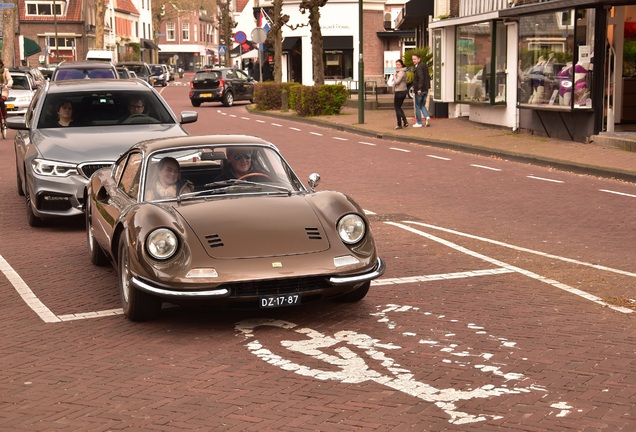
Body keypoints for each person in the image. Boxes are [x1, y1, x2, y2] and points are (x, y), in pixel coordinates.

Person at [411, 53, 431, 128]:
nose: (413, 60)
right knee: (422, 105)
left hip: (420, 90)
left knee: (417, 106)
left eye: (414, 59)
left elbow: (421, 77)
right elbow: (427, 77)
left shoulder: (419, 67)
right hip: (426, 89)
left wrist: (419, 88)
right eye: (412, 59)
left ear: (419, 59)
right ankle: (427, 117)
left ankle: (419, 122)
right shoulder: (425, 66)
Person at [392, 59, 408, 130]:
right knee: (399, 107)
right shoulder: (401, 71)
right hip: (403, 91)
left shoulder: (401, 72)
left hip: (399, 91)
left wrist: (394, 76)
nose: (397, 66)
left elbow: (397, 82)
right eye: (396, 64)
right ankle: (404, 121)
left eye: (398, 64)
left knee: (397, 107)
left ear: (401, 65)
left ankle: (400, 124)